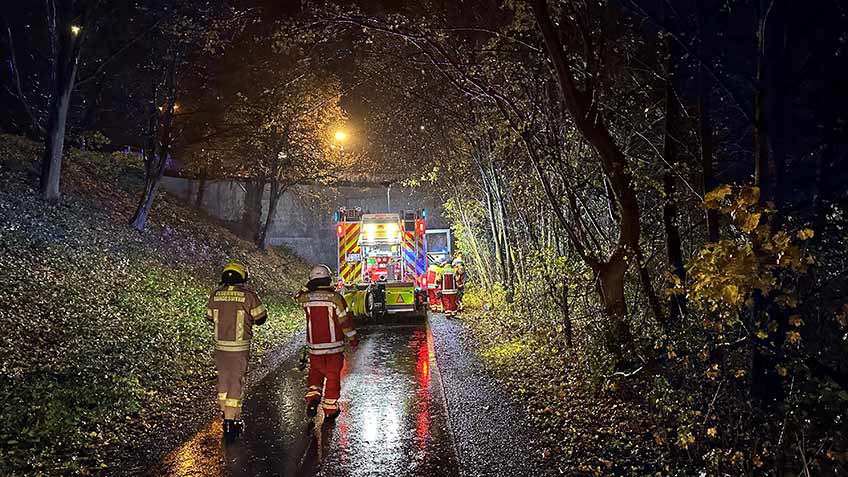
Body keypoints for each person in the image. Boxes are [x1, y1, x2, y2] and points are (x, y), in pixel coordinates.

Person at [205, 261, 268, 440]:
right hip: (239, 348)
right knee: (236, 382)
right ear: (243, 276)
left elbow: (210, 317)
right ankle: (231, 421)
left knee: (223, 380)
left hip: (220, 347)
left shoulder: (215, 295)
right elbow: (261, 317)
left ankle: (225, 413)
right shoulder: (249, 296)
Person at [296, 264, 359, 419]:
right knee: (332, 377)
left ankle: (312, 399)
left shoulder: (306, 299)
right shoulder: (336, 298)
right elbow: (344, 321)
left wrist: (308, 287)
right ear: (328, 279)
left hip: (314, 348)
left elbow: (297, 296)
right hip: (334, 348)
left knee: (315, 374)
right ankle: (330, 409)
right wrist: (353, 338)